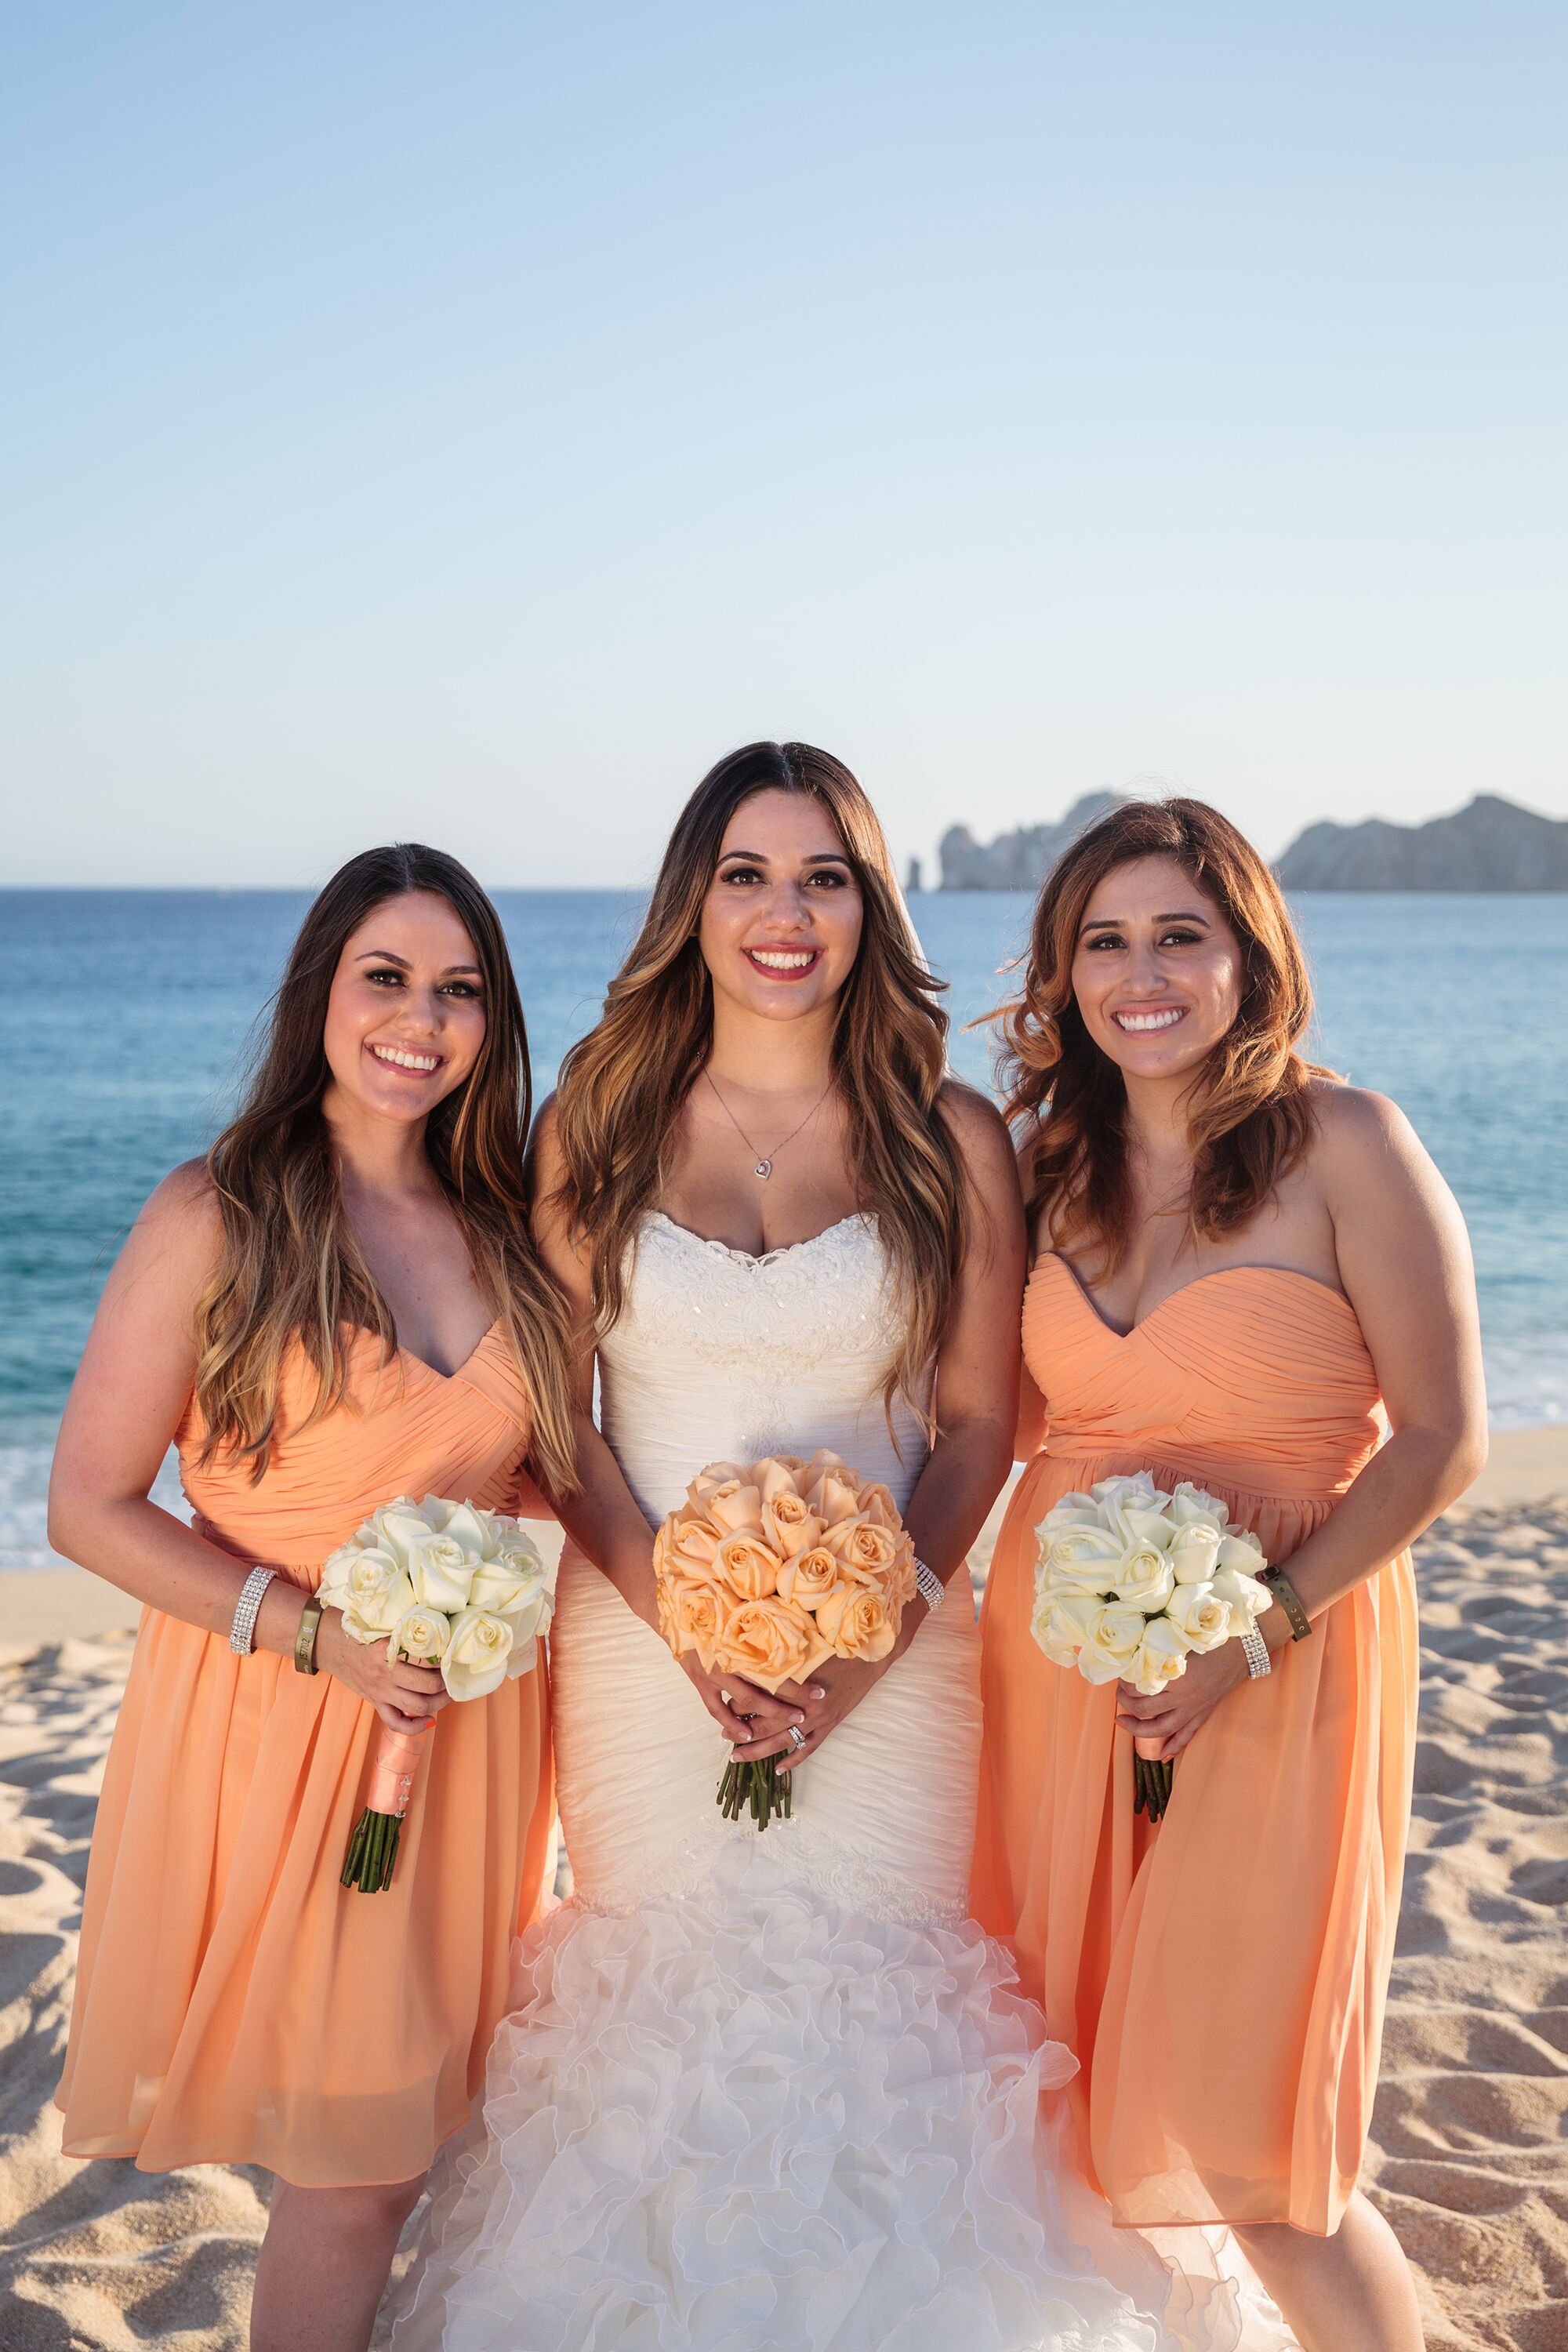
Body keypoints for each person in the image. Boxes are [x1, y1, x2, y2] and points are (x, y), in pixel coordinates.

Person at [390, 745, 1192, 2350]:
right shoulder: (596, 1122)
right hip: (639, 1653)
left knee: (881, 2006)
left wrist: (861, 1643)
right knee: (658, 2020)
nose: (783, 914)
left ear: (867, 907)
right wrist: (687, 1630)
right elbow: (571, 1426)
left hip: (895, 1646)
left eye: (824, 877)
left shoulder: (945, 1133)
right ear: (693, 902)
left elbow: (976, 1429)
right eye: (747, 875)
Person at [972, 797, 1488, 2352]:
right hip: (1057, 1667)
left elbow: (1442, 1441)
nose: (1143, 975)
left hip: (1281, 1662)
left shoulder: (1348, 1144)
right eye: (1104, 941)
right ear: (1062, 975)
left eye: (1178, 937)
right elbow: (981, 1425)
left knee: (1260, 2148)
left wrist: (1250, 1632)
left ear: (1248, 960)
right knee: (1059, 2080)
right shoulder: (1030, 1162)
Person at [49, 844, 577, 2352]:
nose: (424, 1017)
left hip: (473, 1742)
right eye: (387, 977)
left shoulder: (510, 1228)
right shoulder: (216, 1213)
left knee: (421, 2147)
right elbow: (86, 1505)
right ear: (321, 994)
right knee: (360, 2170)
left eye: (461, 988)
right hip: (289, 1723)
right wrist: (316, 1634)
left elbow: (539, 1476)